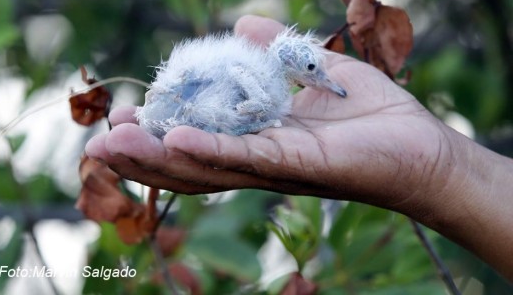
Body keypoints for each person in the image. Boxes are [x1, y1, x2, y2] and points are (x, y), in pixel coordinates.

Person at [86, 15, 513, 281]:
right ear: (292, 67)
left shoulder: (259, 75)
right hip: (184, 104)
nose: (322, 81)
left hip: (173, 103)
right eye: (312, 70)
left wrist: (442, 167)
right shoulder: (265, 88)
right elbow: (242, 94)